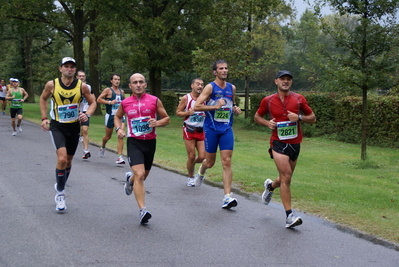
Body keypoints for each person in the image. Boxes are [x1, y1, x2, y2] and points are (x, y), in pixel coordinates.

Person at [254, 70, 316, 228]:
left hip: (295, 143)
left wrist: (299, 117)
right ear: (276, 81)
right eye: (282, 79)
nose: (286, 81)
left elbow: (313, 118)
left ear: (291, 82)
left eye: (289, 79)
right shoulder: (268, 100)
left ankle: (270, 187)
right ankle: (289, 216)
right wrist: (267, 123)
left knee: (283, 179)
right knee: (287, 176)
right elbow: (257, 117)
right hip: (278, 142)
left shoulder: (299, 99)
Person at [40, 57, 96, 211]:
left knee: (69, 161)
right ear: (60, 68)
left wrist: (87, 114)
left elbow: (93, 102)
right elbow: (43, 99)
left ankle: (61, 184)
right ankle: (60, 193)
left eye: (72, 67)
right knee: (62, 158)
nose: (69, 69)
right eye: (66, 66)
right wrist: (44, 118)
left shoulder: (82, 87)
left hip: (73, 127)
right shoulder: (52, 84)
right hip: (57, 126)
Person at [115, 73, 170, 224]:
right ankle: (143, 210)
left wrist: (157, 123)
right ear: (130, 86)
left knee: (142, 176)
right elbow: (117, 116)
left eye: (141, 82)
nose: (138, 84)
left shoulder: (154, 100)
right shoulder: (125, 103)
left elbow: (166, 118)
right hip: (134, 142)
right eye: (135, 82)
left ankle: (129, 179)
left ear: (145, 84)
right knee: (139, 175)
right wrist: (118, 129)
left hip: (150, 142)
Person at [193, 59, 242, 209]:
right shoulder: (210, 87)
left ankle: (227, 197)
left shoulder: (231, 88)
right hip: (211, 129)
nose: (224, 71)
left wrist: (235, 109)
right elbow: (197, 107)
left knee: (226, 161)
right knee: (210, 162)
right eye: (221, 68)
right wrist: (214, 106)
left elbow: (231, 103)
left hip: (226, 128)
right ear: (215, 72)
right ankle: (201, 171)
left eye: (226, 68)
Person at [176, 78, 206, 187]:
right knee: (192, 155)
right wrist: (188, 112)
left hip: (201, 130)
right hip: (189, 129)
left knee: (202, 157)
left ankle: (191, 164)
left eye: (202, 85)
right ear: (192, 85)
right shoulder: (186, 98)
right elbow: (178, 112)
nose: (200, 86)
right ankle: (190, 177)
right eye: (197, 84)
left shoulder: (205, 99)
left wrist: (206, 115)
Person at [96, 74, 126, 164]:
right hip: (110, 116)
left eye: (118, 79)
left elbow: (124, 103)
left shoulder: (122, 91)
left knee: (121, 136)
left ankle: (119, 157)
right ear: (111, 81)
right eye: (115, 79)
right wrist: (109, 102)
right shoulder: (108, 90)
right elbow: (98, 99)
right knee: (107, 137)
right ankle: (103, 146)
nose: (117, 81)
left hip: (120, 117)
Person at [76, 70, 94, 159]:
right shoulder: (73, 87)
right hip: (75, 111)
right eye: (79, 76)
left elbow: (93, 99)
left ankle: (86, 150)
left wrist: (90, 110)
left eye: (83, 76)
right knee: (74, 130)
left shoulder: (89, 87)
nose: (81, 77)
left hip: (85, 111)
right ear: (76, 77)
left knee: (85, 130)